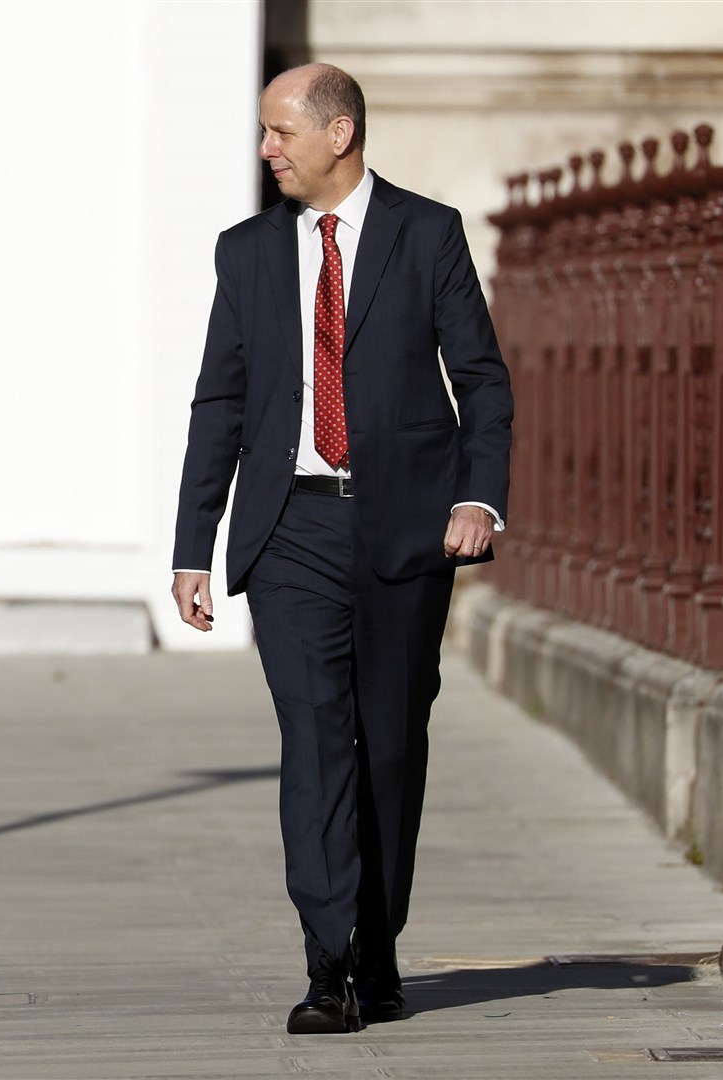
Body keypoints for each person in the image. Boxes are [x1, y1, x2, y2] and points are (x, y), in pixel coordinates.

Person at [170, 64, 512, 1034]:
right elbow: (220, 404)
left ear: (339, 133)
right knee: (315, 743)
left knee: (390, 746)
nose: (266, 149)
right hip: (290, 531)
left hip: (404, 528)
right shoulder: (244, 254)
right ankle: (327, 967)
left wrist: (478, 498)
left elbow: (480, 382)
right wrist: (193, 546)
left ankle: (377, 944)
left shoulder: (426, 233)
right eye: (264, 132)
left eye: (281, 131)